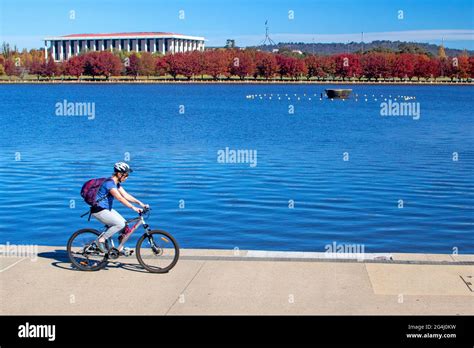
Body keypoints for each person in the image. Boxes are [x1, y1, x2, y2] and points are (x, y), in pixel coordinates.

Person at [93, 162, 147, 253]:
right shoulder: (109, 184)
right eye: (125, 175)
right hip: (99, 210)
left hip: (106, 209)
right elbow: (120, 198)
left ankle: (120, 249)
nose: (127, 177)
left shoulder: (116, 183)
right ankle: (101, 240)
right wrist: (133, 208)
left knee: (125, 225)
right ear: (119, 174)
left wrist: (140, 203)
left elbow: (125, 195)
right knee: (120, 224)